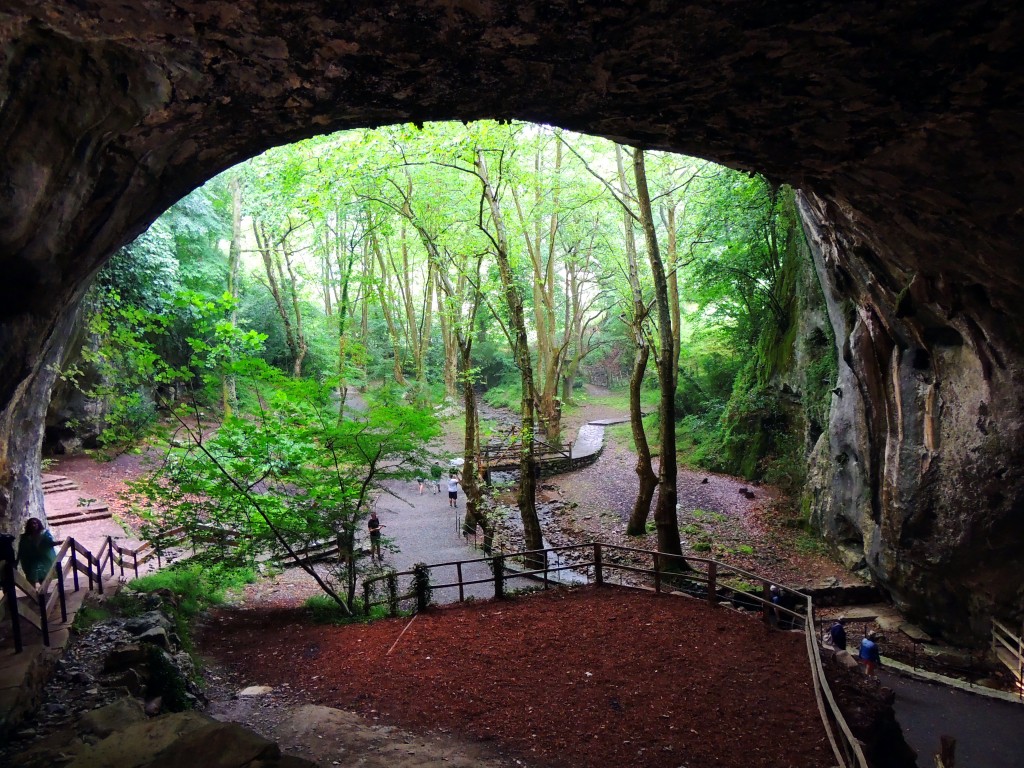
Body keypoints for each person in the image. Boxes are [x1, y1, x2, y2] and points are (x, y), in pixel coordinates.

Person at [17, 517, 57, 586]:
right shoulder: (25, 538)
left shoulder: (44, 534)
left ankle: (43, 593)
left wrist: (55, 543)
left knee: (43, 578)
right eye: (31, 524)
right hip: (31, 561)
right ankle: (33, 595)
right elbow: (21, 549)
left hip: (43, 560)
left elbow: (49, 543)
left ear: (38, 524)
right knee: (31, 579)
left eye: (35, 523)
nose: (33, 525)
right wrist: (17, 560)